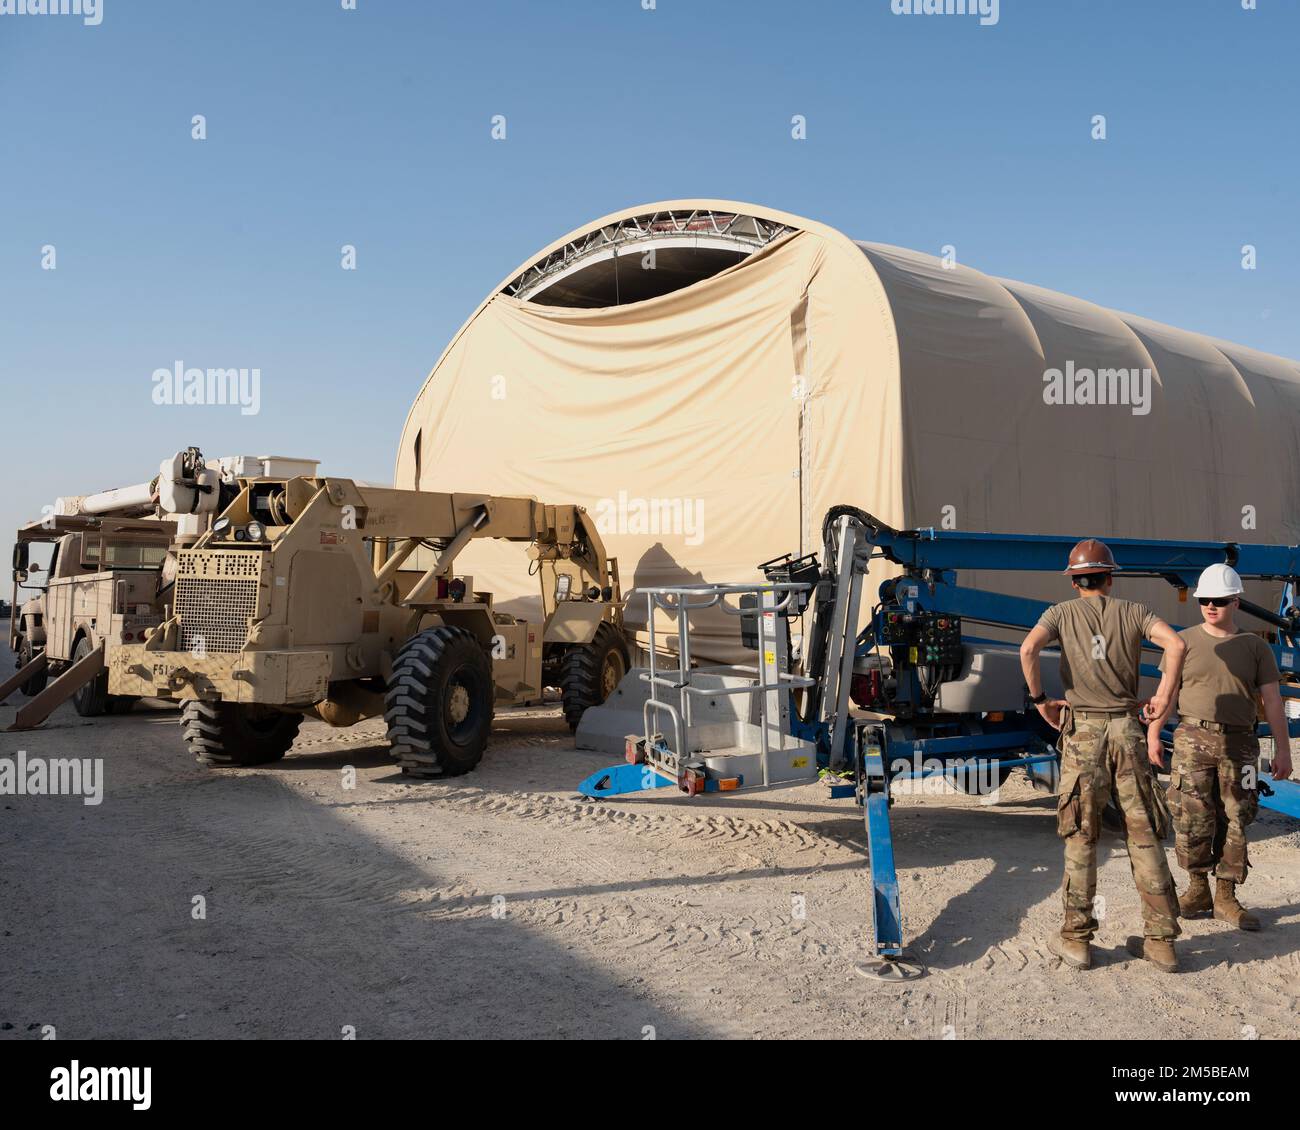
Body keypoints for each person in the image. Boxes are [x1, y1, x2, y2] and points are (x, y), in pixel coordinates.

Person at [1020, 538, 1187, 973]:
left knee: (1081, 835)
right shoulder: (1134, 613)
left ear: (1074, 580)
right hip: (1129, 730)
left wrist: (1040, 700)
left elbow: (1028, 649)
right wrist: (1163, 698)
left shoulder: (1058, 613)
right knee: (1143, 832)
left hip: (1083, 734)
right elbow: (1176, 645)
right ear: (1110, 578)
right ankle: (1161, 941)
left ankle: (1077, 940)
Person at [1147, 563, 1294, 931]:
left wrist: (1283, 749)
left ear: (1236, 601)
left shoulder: (1256, 647)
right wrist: (1153, 733)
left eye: (1220, 601)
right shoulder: (1182, 643)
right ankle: (1197, 889)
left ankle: (1226, 896)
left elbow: (1273, 701)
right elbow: (1167, 692)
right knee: (1191, 816)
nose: (1211, 606)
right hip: (1192, 739)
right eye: (1205, 600)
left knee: (1237, 817)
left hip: (1241, 742)